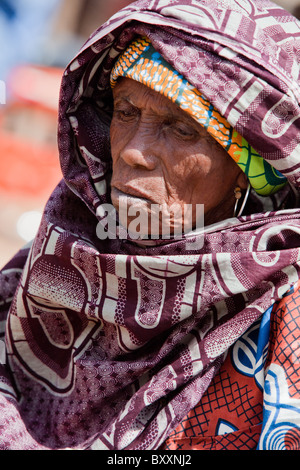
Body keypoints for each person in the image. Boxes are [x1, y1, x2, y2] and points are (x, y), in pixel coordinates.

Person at [0, 0, 300, 451]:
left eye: (181, 130)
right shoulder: (65, 245)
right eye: (125, 112)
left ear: (247, 165)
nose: (134, 152)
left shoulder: (281, 321)